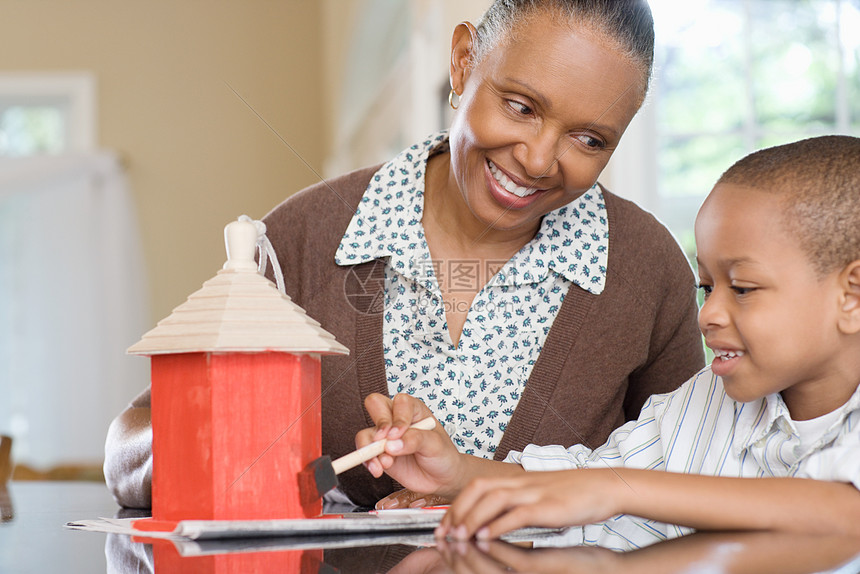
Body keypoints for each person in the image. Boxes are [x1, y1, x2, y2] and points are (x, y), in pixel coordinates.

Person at [104, 0, 704, 509]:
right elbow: (133, 439)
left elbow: (690, 484)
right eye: (521, 106)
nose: (541, 160)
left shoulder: (648, 271)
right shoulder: (301, 238)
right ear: (464, 62)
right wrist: (214, 454)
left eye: (589, 139)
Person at [356, 135, 860, 547]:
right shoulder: (701, 403)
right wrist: (457, 472)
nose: (708, 314)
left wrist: (618, 491)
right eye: (707, 287)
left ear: (851, 295)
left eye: (743, 289)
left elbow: (842, 515)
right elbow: (587, 478)